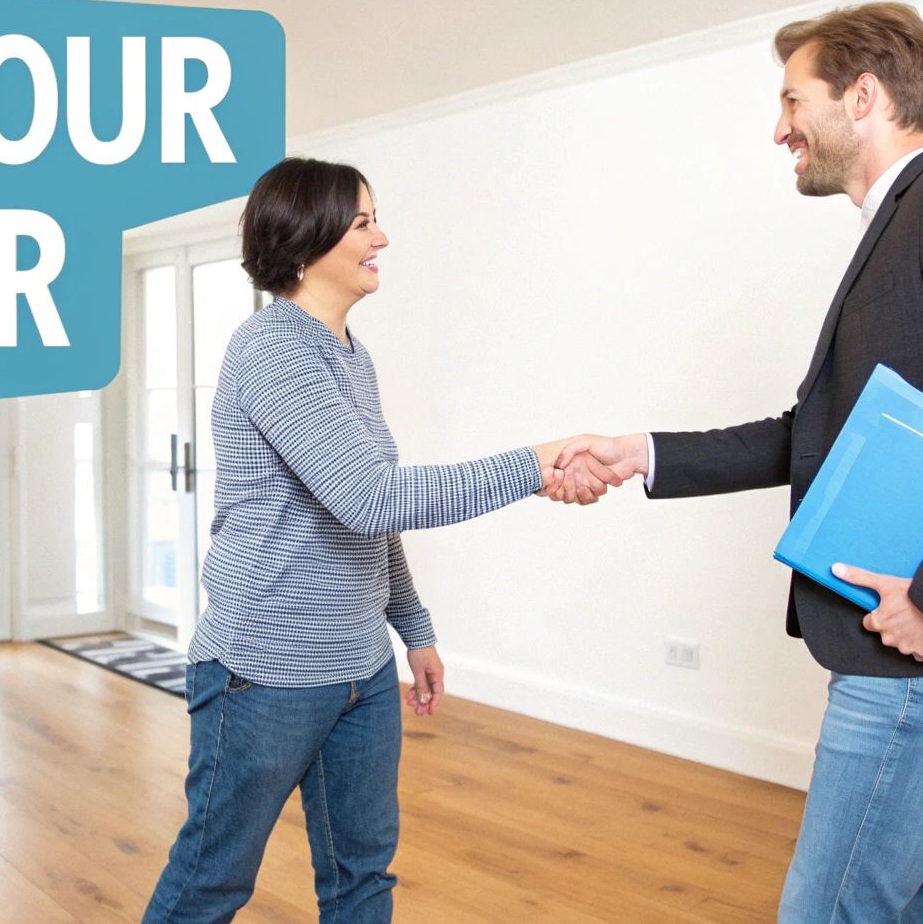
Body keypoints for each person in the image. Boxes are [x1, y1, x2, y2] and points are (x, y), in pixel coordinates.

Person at [555, 2, 923, 922]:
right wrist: (640, 454)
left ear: (863, 98)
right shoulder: (904, 225)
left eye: (791, 100)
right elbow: (811, 433)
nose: (779, 128)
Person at [142, 156, 618, 924]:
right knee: (212, 881)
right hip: (265, 673)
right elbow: (371, 497)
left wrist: (414, 631)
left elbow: (364, 514)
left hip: (360, 673)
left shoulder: (350, 358)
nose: (382, 238)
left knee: (363, 877)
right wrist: (534, 464)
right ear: (310, 237)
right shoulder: (271, 349)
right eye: (364, 223)